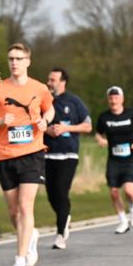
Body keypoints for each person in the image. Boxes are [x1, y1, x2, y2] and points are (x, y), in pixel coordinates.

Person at [0, 43, 55, 266]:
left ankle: (19, 263)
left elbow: (50, 109)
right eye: (11, 58)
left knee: (25, 206)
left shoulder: (39, 88)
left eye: (19, 58)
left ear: (28, 61)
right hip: (5, 154)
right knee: (14, 213)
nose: (14, 62)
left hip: (32, 152)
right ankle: (30, 236)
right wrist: (0, 121)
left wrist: (45, 121)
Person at [44, 67, 92, 249]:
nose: (49, 83)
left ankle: (60, 234)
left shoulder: (74, 101)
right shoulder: (44, 100)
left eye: (53, 80)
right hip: (48, 154)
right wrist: (47, 130)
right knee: (51, 196)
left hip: (68, 155)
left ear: (63, 82)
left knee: (61, 192)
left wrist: (66, 128)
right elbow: (35, 123)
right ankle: (65, 216)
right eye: (48, 79)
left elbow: (87, 126)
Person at [95, 87, 133, 234]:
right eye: (111, 98)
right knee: (114, 192)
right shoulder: (104, 117)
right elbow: (98, 133)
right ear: (108, 100)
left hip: (130, 158)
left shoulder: (131, 113)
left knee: (129, 191)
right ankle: (123, 221)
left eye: (116, 98)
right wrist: (100, 140)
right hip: (114, 160)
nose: (113, 101)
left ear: (122, 99)